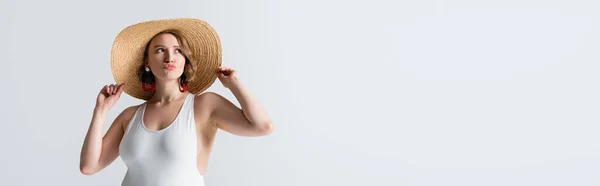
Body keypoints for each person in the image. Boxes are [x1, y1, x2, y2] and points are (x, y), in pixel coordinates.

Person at [79, 18, 273, 186]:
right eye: (160, 50)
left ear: (185, 60)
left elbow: (262, 126)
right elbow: (89, 166)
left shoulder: (204, 106)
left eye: (178, 51)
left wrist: (235, 84)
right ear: (147, 61)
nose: (169, 57)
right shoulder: (130, 116)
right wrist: (101, 111)